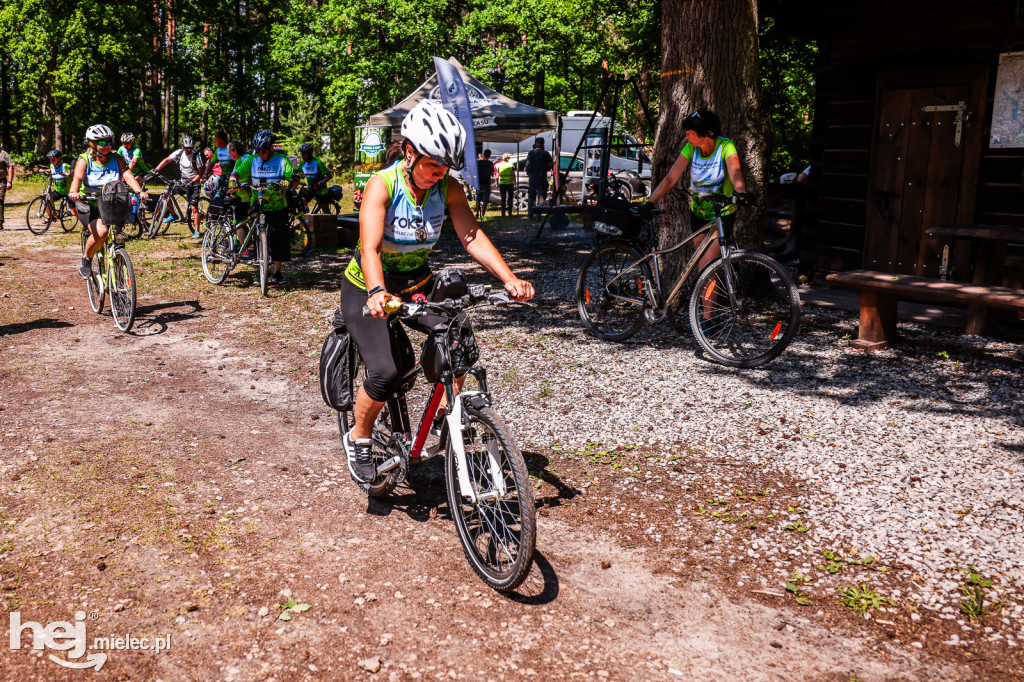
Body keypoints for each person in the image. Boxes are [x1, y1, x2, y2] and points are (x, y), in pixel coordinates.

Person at [340, 100, 534, 483]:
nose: (438, 173)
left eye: (445, 167)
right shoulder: (382, 185)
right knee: (385, 372)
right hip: (368, 285)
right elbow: (370, 250)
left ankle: (450, 418)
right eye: (433, 165)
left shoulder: (447, 187)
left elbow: (471, 235)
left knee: (458, 344)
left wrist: (508, 278)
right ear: (410, 152)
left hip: (415, 282)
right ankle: (358, 438)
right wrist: (377, 291)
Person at [645, 108, 751, 330]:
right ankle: (710, 313)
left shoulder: (725, 146)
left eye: (691, 133)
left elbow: (735, 173)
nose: (686, 136)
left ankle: (708, 318)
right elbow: (671, 178)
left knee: (706, 266)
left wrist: (741, 193)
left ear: (708, 134)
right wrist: (649, 203)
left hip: (722, 215)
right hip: (699, 215)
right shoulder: (690, 149)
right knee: (705, 267)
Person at [69, 124, 149, 278]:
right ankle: (86, 260)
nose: (106, 146)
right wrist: (73, 193)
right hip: (89, 203)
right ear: (92, 143)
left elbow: (127, 174)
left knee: (117, 237)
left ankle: (118, 278)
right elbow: (77, 178)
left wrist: (139, 191)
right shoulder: (85, 159)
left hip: (111, 202)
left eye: (109, 142)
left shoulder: (116, 158)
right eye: (102, 142)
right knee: (102, 232)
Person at [229, 129, 294, 284]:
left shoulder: (281, 160)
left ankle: (277, 271)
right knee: (258, 237)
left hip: (278, 206)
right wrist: (233, 180)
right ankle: (262, 270)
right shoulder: (252, 160)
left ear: (271, 147)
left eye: (264, 150)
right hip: (258, 205)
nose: (261, 154)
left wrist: (287, 182)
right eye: (258, 151)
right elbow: (236, 174)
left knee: (279, 239)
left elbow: (291, 177)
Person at [153, 135, 205, 239]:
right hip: (182, 183)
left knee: (194, 208)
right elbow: (167, 160)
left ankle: (197, 231)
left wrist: (192, 182)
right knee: (166, 194)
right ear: (182, 146)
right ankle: (173, 215)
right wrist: (157, 169)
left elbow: (201, 173)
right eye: (186, 147)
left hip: (194, 184)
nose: (188, 149)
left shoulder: (196, 156)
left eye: (190, 147)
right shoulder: (179, 153)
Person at [296, 142, 334, 211]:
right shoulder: (303, 163)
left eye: (304, 153)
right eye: (301, 153)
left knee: (325, 211)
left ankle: (329, 220)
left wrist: (319, 184)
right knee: (300, 200)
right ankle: (304, 218)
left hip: (321, 190)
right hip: (311, 189)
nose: (302, 155)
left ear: (310, 153)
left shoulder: (317, 162)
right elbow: (295, 171)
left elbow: (329, 175)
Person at [524, 138, 553, 219]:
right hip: (542, 179)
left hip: (532, 179)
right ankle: (538, 215)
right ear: (543, 144)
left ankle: (530, 214)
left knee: (531, 197)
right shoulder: (546, 154)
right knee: (541, 197)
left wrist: (528, 173)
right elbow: (550, 165)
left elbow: (527, 164)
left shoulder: (531, 153)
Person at [45, 150, 71, 220]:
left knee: (73, 209)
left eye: (53, 160)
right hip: (59, 191)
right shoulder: (52, 166)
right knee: (47, 200)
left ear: (59, 159)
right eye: (50, 160)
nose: (51, 162)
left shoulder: (64, 166)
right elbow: (51, 170)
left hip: (68, 191)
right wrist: (44, 170)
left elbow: (74, 171)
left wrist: (68, 173)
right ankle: (51, 217)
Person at [475, 149, 494, 219]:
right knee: (485, 200)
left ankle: (477, 213)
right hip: (487, 183)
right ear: (489, 155)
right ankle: (483, 215)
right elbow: (492, 173)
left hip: (479, 182)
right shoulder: (490, 163)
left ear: (483, 154)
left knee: (478, 199)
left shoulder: (478, 163)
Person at [495, 152, 516, 217]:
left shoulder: (499, 165)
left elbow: (497, 176)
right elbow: (513, 175)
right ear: (509, 158)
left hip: (502, 184)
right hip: (510, 184)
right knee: (510, 198)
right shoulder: (511, 164)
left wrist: (497, 183)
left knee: (503, 199)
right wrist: (515, 183)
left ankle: (503, 213)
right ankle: (510, 212)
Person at [0, 144, 13, 231]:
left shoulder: (3, 154)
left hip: (1, 181)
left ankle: (0, 223)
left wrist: (9, 181)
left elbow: (10, 166)